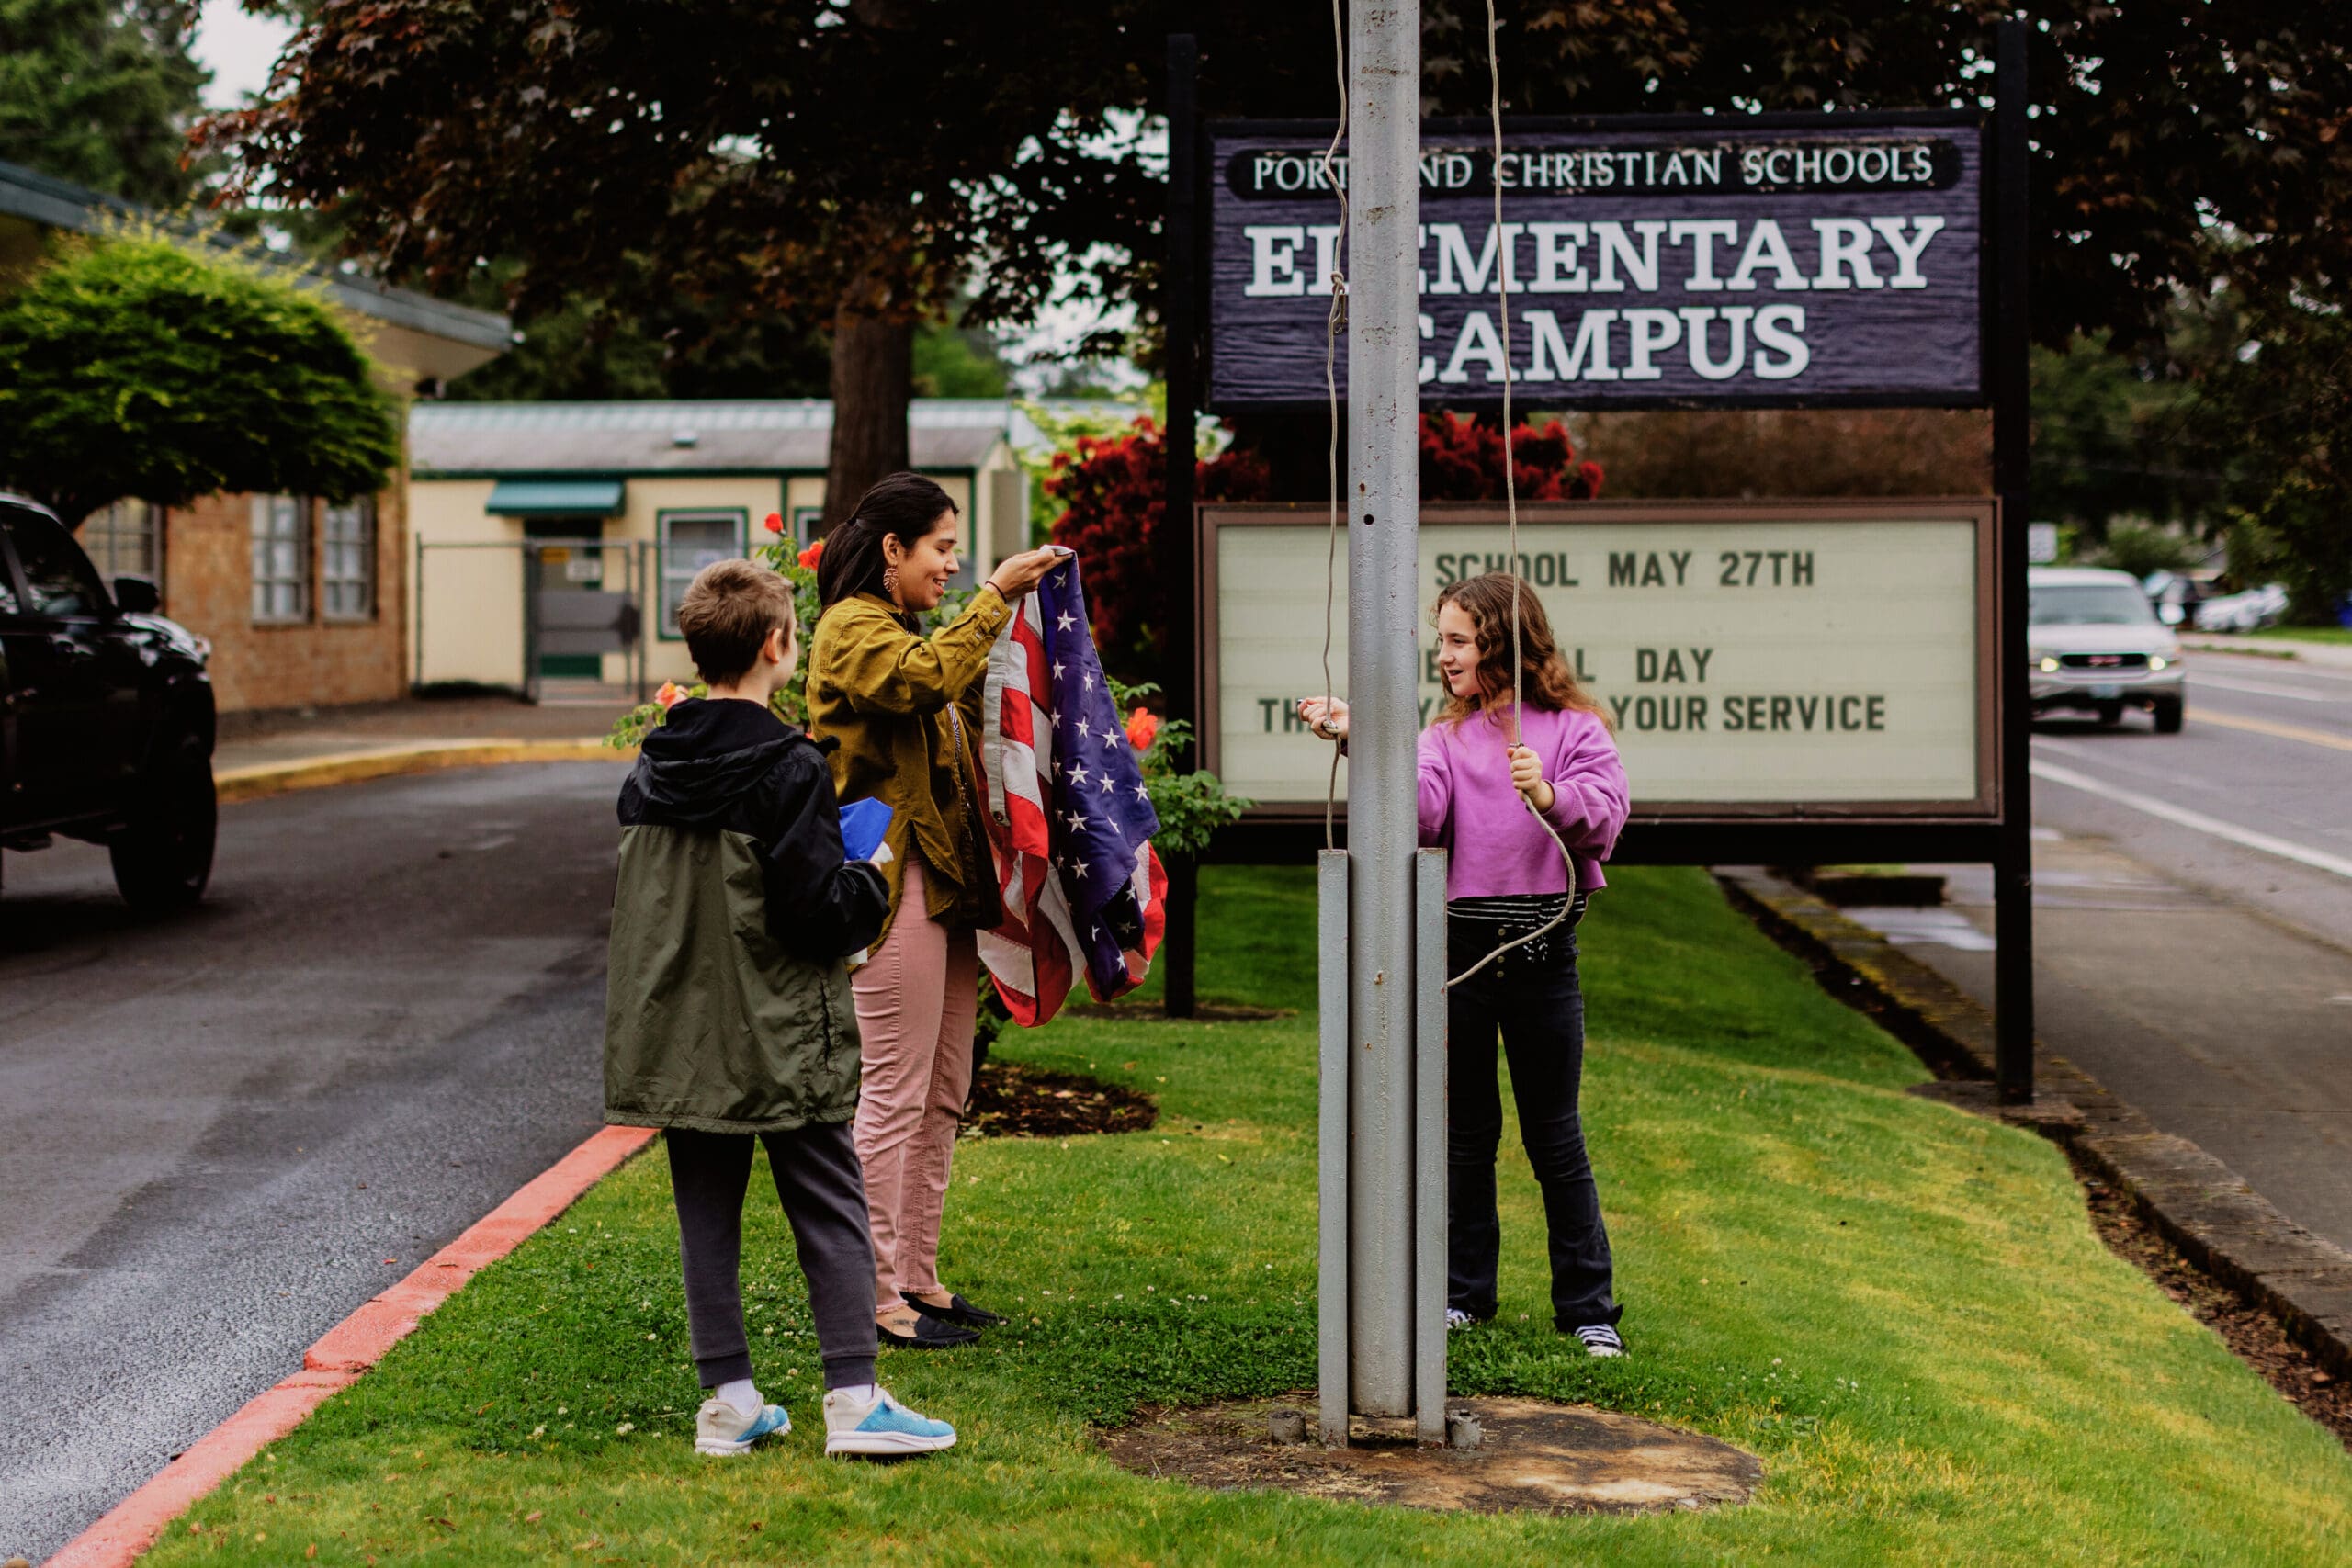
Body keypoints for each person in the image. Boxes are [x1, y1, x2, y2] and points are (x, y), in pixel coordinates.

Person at [604, 558, 958, 1459]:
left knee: (706, 1215)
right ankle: (853, 1402)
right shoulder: (789, 762)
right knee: (829, 1203)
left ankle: (727, 1403)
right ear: (777, 646)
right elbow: (812, 911)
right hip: (780, 1025)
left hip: (678, 1029)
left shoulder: (652, 763)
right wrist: (871, 878)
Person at [1297, 570, 1633, 1356]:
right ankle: (1462, 1297)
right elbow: (1418, 811)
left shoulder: (1575, 729)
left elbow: (1606, 820)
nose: (1443, 656)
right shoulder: (1442, 738)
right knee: (1465, 1135)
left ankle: (1588, 1310)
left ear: (1502, 642)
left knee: (1556, 1138)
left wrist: (1548, 794)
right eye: (1440, 639)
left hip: (1545, 962)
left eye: (1458, 640)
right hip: (1463, 959)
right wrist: (1362, 740)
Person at [806, 472, 1066, 1350]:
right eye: (942, 548)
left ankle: (918, 1278)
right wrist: (997, 595)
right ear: (893, 549)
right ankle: (875, 1298)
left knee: (944, 1091)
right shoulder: (852, 629)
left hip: (945, 883)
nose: (953, 564)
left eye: (958, 551)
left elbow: (957, 704)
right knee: (893, 1092)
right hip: (891, 885)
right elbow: (921, 684)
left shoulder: (905, 629)